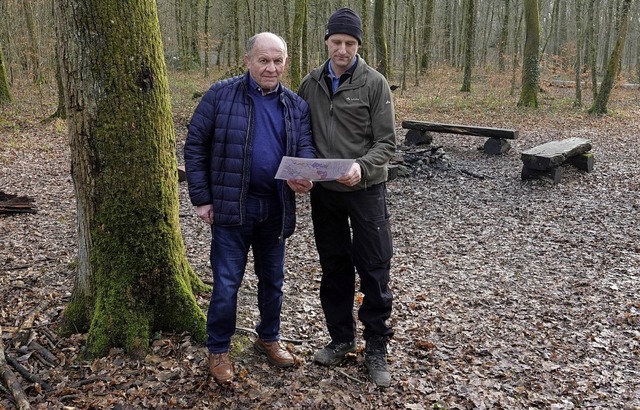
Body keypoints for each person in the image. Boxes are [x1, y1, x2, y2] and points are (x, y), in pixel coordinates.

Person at [184, 32, 315, 386]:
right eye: (263, 60)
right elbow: (195, 145)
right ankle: (219, 348)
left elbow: (305, 148)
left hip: (275, 208)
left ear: (286, 62)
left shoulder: (295, 105)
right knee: (227, 283)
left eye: (277, 61)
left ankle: (269, 338)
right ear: (248, 61)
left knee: (273, 281)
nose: (271, 67)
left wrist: (305, 174)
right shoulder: (220, 95)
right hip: (231, 207)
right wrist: (202, 197)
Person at [298, 8, 396, 388]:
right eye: (336, 42)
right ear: (326, 41)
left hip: (366, 191)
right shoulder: (310, 83)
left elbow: (386, 143)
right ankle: (340, 338)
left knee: (373, 267)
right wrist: (302, 173)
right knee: (334, 266)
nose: (342, 50)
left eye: (350, 44)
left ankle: (376, 346)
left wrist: (362, 167)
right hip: (325, 194)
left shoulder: (374, 83)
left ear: (358, 45)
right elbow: (302, 137)